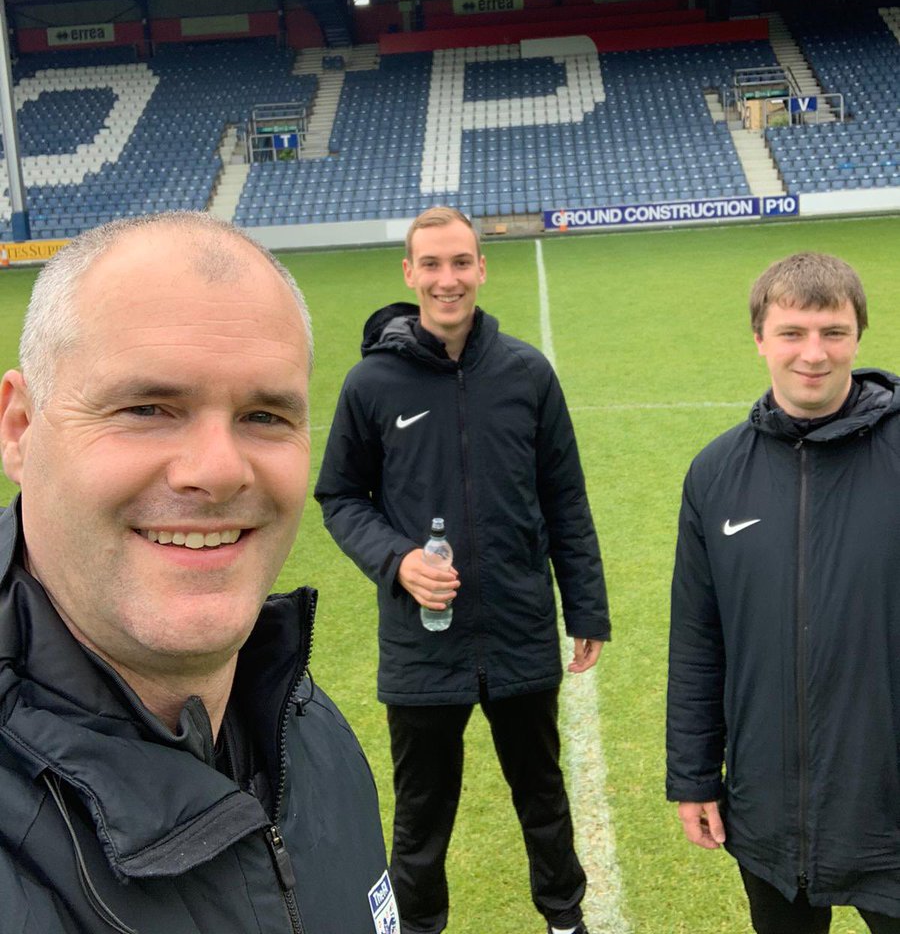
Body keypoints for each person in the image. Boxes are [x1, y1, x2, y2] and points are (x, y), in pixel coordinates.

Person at [0, 211, 395, 934]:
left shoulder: (303, 717)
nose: (217, 470)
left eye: (265, 416)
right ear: (20, 428)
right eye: (148, 407)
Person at [315, 206, 610, 934]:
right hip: (422, 644)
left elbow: (563, 495)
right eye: (433, 265)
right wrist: (398, 560)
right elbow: (341, 496)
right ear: (409, 273)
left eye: (461, 262)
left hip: (518, 628)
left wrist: (587, 608)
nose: (448, 279)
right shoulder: (371, 384)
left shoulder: (527, 374)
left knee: (543, 794)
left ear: (482, 267)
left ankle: (565, 919)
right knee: (421, 813)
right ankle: (420, 927)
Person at [667, 251, 900, 933]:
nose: (814, 354)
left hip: (888, 804)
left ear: (858, 336)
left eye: (833, 332)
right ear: (760, 339)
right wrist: (693, 776)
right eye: (793, 333)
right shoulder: (715, 474)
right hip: (770, 810)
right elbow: (698, 637)